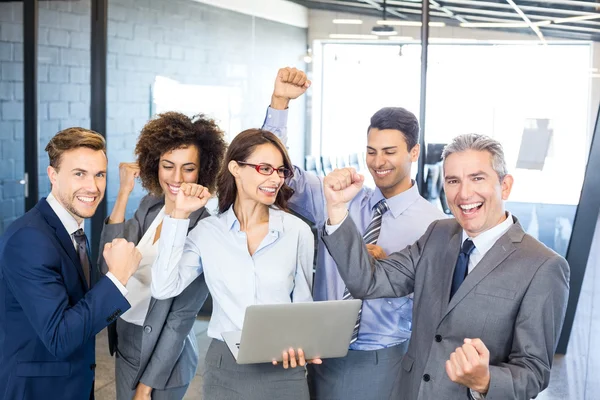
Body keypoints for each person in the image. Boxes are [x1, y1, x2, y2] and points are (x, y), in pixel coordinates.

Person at [321, 133, 570, 400]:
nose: (464, 194)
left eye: (477, 178)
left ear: (505, 186)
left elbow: (534, 372)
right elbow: (368, 281)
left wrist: (485, 381)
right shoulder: (437, 234)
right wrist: (336, 209)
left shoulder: (543, 266)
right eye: (453, 181)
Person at [262, 67, 445, 399]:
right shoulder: (339, 199)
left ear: (413, 153)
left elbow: (436, 303)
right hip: (315, 350)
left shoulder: (434, 224)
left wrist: (391, 270)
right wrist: (279, 104)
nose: (378, 162)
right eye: (371, 151)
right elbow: (280, 177)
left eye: (390, 152)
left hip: (379, 357)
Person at [151, 128, 316, 399]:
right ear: (235, 168)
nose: (275, 178)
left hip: (283, 368)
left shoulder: (297, 231)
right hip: (225, 367)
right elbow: (163, 287)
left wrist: (304, 345)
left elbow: (303, 304)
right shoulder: (208, 231)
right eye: (265, 168)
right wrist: (179, 215)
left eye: (280, 171)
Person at [0, 127, 142, 400]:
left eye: (99, 174)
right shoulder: (29, 238)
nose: (93, 187)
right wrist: (117, 279)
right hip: (38, 391)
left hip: (71, 384)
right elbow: (59, 336)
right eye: (79, 174)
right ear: (53, 175)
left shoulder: (70, 229)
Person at [97, 112, 227, 400]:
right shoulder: (150, 206)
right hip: (127, 341)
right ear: (154, 164)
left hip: (164, 362)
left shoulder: (204, 228)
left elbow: (179, 320)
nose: (177, 178)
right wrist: (123, 193)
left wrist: (146, 388)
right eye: (168, 165)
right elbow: (107, 265)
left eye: (188, 168)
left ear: (203, 170)